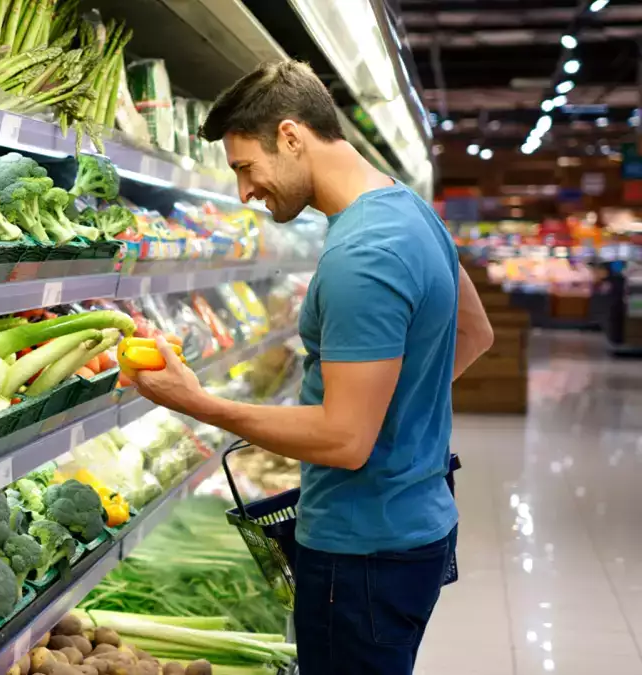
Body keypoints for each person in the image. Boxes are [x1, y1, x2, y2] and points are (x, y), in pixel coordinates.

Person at [132, 60, 494, 675]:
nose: (244, 190)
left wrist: (198, 403)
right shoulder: (409, 213)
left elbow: (345, 440)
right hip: (416, 524)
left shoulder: (363, 256)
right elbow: (474, 334)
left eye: (246, 167)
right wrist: (392, 410)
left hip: (360, 555)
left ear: (293, 137)